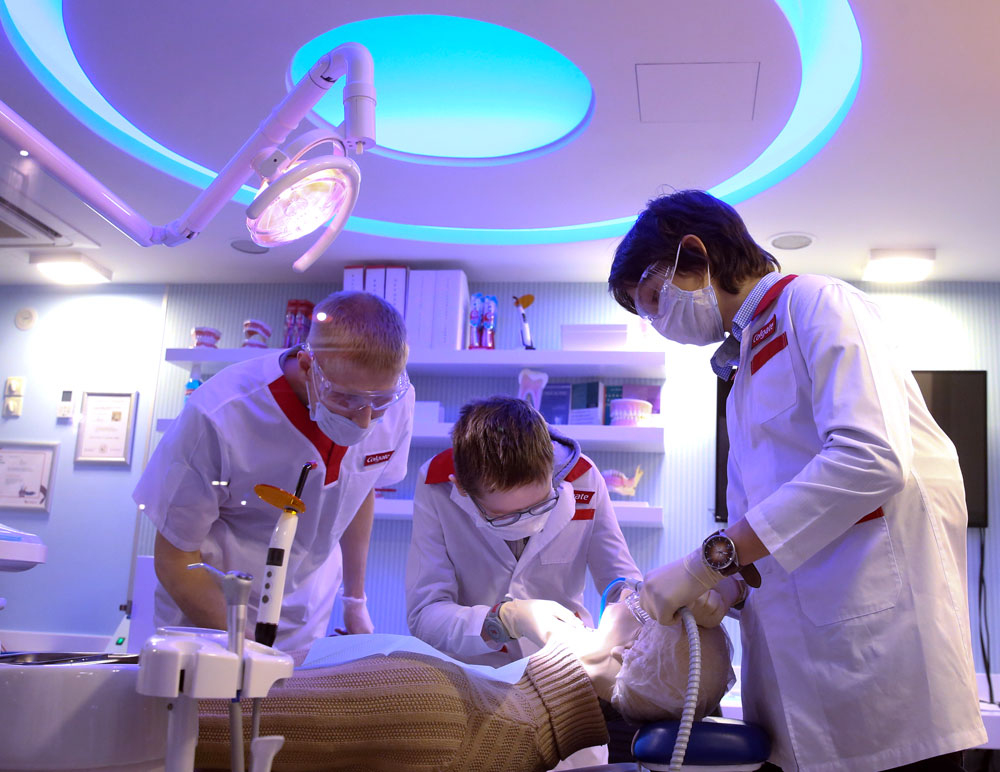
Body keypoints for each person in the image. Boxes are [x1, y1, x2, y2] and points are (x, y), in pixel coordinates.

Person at [607, 189, 987, 772]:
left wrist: (704, 562)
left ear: (694, 256)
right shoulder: (742, 374)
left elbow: (872, 458)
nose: (659, 323)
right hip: (796, 699)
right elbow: (764, 533)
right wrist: (723, 589)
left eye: (656, 298)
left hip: (885, 679)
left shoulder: (819, 304)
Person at [134, 291, 415, 651]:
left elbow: (360, 491)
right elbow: (174, 559)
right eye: (345, 398)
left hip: (304, 618)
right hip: (209, 615)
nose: (364, 418)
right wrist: (245, 646)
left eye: (378, 403)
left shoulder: (397, 398)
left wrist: (355, 602)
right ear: (307, 365)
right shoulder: (221, 413)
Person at [195, 587, 735, 772]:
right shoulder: (511, 728)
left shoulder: (447, 709)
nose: (626, 590)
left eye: (638, 602)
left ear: (622, 652)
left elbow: (199, 729)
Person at [405, 395, 644, 769]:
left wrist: (631, 610)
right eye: (506, 516)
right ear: (463, 489)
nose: (528, 521)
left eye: (542, 505)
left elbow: (618, 578)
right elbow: (425, 614)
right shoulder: (437, 486)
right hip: (475, 683)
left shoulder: (581, 476)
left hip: (565, 683)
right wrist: (505, 619)